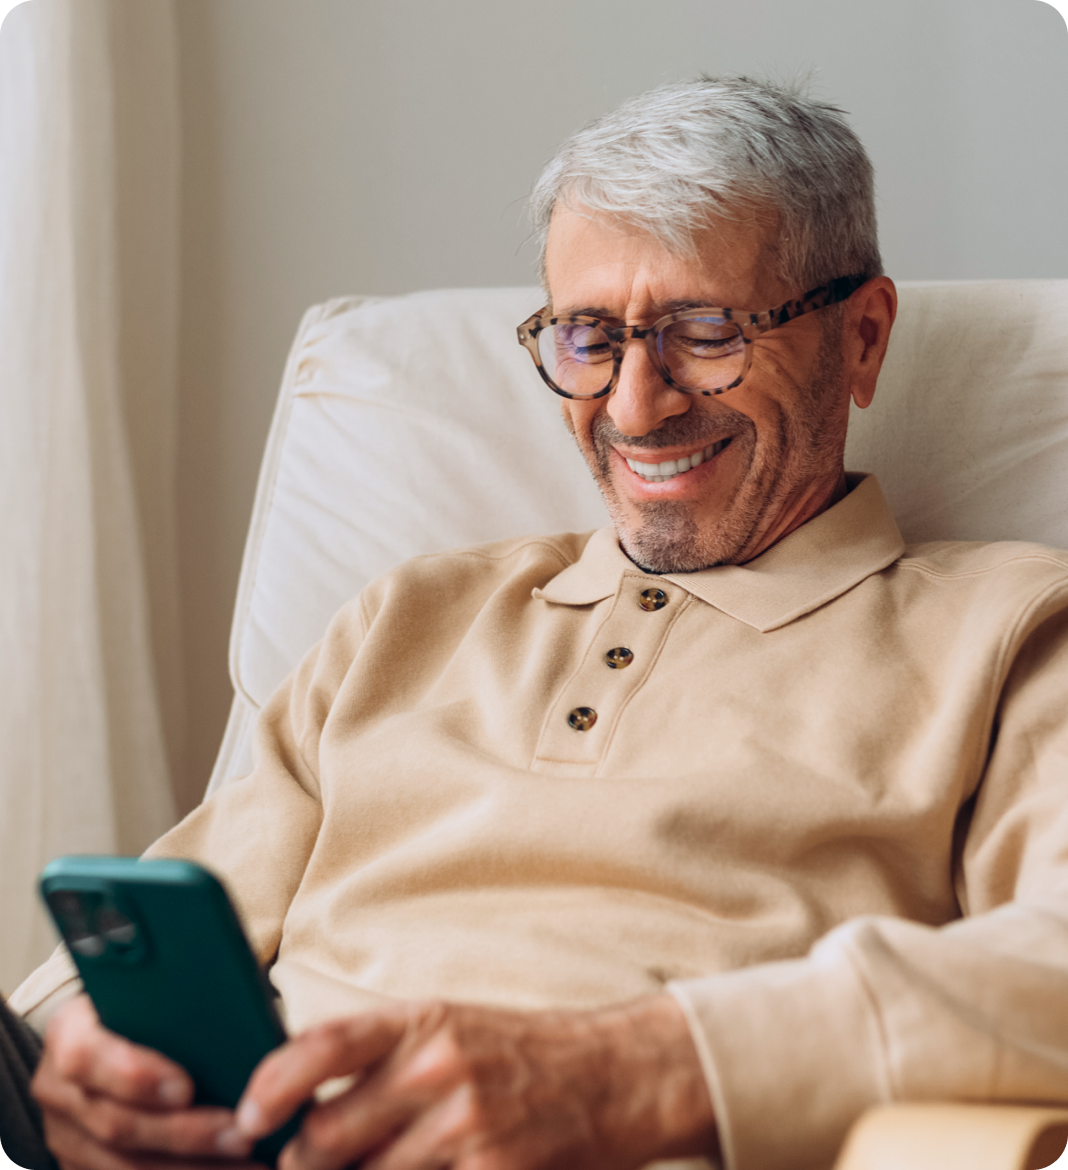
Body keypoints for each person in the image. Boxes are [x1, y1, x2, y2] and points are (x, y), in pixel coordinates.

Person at [5, 75, 1068, 1170]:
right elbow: (136, 961)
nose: (634, 406)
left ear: (862, 338)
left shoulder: (1006, 629)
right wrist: (81, 1066)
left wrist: (637, 1074)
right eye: (588, 337)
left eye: (708, 332)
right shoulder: (406, 618)